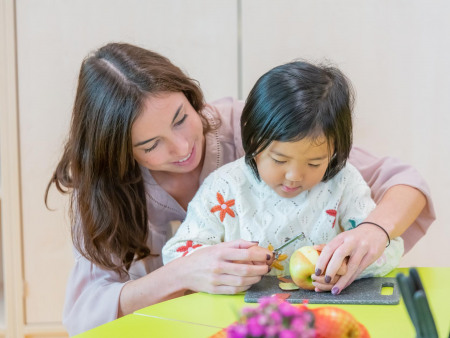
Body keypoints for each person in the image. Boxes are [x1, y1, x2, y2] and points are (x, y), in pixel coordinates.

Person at [45, 42, 434, 336]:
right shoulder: (105, 187)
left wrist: (374, 230)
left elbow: (403, 181)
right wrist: (182, 273)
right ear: (117, 153)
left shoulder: (250, 128)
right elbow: (85, 312)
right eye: (150, 145)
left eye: (182, 119)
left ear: (190, 95)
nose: (182, 149)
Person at [162, 60, 404, 290]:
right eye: (279, 160)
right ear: (253, 141)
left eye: (314, 162)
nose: (294, 177)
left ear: (334, 152)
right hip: (240, 318)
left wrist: (347, 264)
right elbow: (176, 253)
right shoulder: (225, 187)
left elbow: (390, 249)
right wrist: (224, 263)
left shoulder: (343, 183)